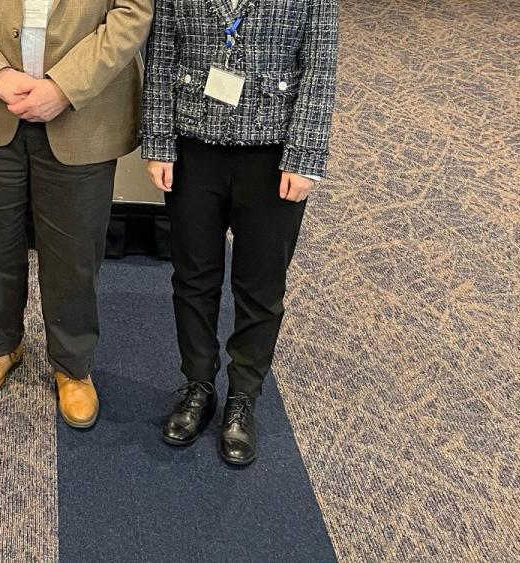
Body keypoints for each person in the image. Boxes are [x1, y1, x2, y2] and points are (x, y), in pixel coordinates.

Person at [0, 0, 154, 428]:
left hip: (83, 111)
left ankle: (72, 366)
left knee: (75, 250)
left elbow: (132, 14)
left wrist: (63, 87)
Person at [141, 0, 337, 465]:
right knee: (193, 278)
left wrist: (306, 155)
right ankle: (197, 384)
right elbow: (162, 53)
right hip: (193, 149)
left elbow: (320, 66)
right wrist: (158, 141)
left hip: (273, 155)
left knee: (261, 286)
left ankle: (244, 394)